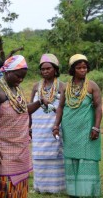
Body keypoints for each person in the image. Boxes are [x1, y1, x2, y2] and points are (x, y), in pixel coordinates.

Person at [0, 55, 49, 198]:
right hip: (1, 149)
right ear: (7, 72)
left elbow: (23, 109)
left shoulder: (17, 89)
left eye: (23, 77)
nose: (20, 80)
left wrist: (39, 103)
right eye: (18, 76)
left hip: (19, 148)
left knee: (19, 187)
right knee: (3, 186)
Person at [52, 54, 102, 197]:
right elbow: (60, 107)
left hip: (87, 130)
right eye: (79, 67)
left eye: (84, 67)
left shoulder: (92, 86)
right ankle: (74, 193)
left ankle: (87, 193)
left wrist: (96, 127)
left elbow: (98, 107)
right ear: (72, 69)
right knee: (72, 160)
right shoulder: (66, 87)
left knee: (87, 159)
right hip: (70, 130)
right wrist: (56, 125)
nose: (82, 70)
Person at [30, 54, 65, 193]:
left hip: (55, 126)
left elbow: (64, 108)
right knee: (39, 156)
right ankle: (40, 187)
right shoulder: (35, 86)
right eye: (42, 69)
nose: (45, 71)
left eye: (48, 68)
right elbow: (31, 106)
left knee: (56, 156)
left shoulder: (62, 86)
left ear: (55, 69)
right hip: (38, 128)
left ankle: (57, 188)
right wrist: (29, 126)